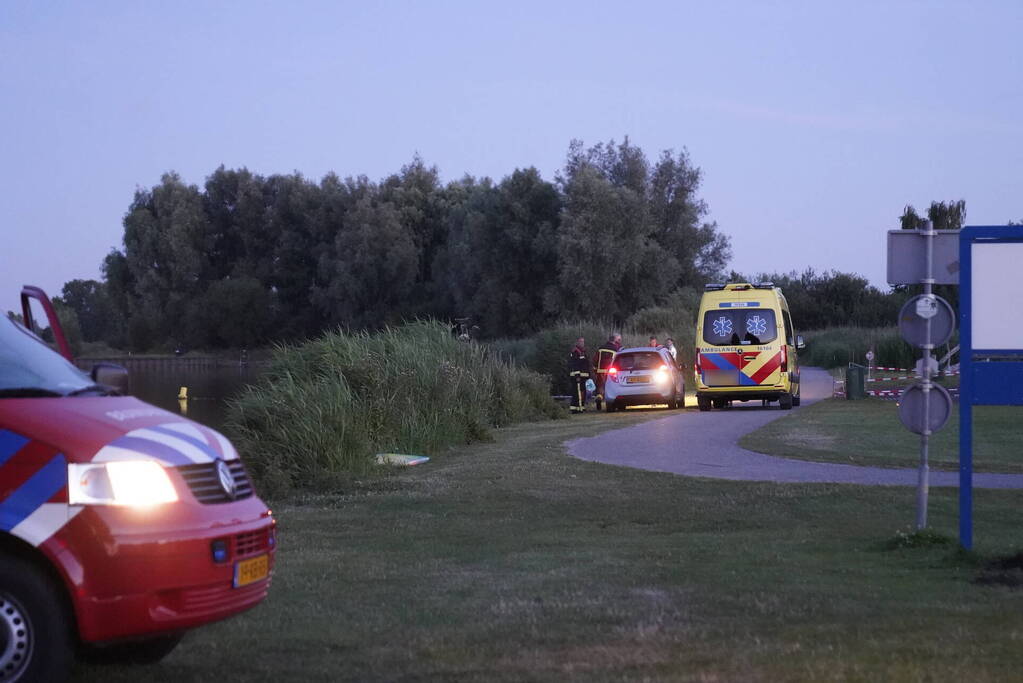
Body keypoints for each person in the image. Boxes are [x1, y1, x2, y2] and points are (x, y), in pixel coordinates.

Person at [592, 333, 622, 411]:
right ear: (614, 340)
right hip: (610, 371)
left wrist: (595, 369)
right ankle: (611, 402)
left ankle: (599, 397)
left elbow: (595, 360)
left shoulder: (601, 348)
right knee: (610, 387)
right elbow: (618, 361)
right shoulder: (616, 349)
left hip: (600, 371)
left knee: (600, 386)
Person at [567, 336, 592, 413]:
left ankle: (581, 407)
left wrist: (589, 374)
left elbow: (586, 364)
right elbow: (575, 364)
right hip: (577, 376)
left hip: (584, 376)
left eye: (583, 341)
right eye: (580, 341)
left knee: (583, 392)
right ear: (577, 342)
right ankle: (576, 408)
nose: (582, 343)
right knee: (577, 393)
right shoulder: (575, 351)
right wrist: (577, 375)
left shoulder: (583, 351)